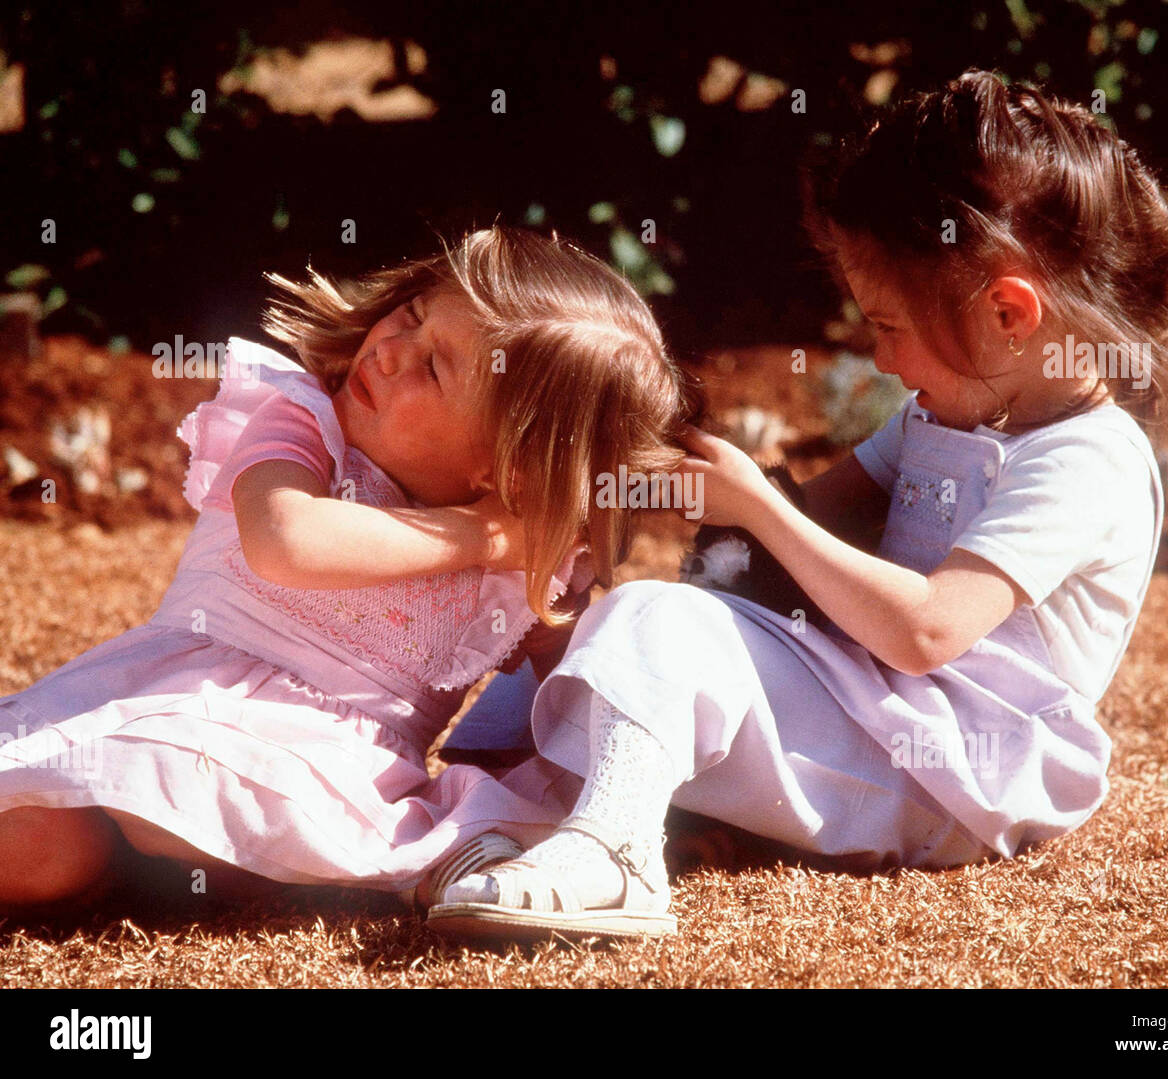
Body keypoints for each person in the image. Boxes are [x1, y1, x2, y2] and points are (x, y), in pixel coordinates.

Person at [427, 70, 1168, 942]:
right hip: (872, 721)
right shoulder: (944, 413)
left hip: (955, 770)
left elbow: (927, 632)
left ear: (1007, 312)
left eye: (887, 326)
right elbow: (797, 516)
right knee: (622, 625)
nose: (879, 359)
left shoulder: (1087, 460)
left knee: (661, 620)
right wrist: (625, 476)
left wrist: (762, 511)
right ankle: (476, 811)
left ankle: (614, 855)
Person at [0, 226, 700, 914]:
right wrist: (481, 534)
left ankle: (181, 855)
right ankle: (148, 847)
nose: (391, 349)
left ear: (507, 462)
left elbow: (594, 684)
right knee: (45, 846)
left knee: (492, 816)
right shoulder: (302, 422)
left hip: (342, 773)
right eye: (412, 313)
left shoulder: (522, 575)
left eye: (433, 366)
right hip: (187, 703)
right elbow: (287, 542)